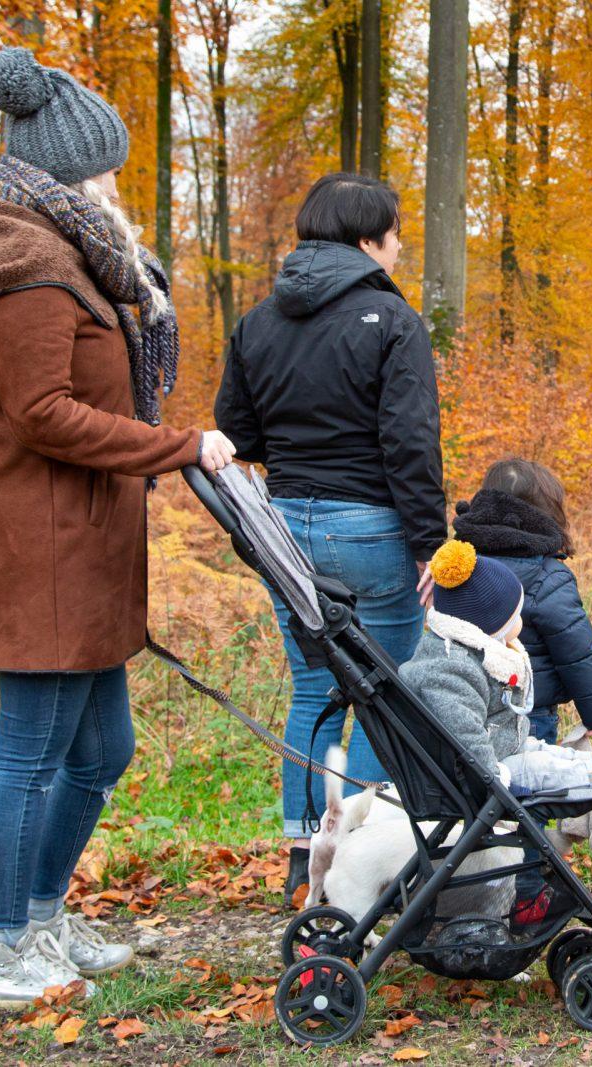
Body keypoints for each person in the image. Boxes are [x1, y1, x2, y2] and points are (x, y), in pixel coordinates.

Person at [0, 47, 236, 1008]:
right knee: (32, 747)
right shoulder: (30, 270)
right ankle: (1, 952)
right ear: (65, 175)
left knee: (101, 751)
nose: (114, 187)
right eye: (103, 170)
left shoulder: (69, 257)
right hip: (41, 545)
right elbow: (41, 413)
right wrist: (176, 445)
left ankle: (44, 915)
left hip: (85, 542)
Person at [214, 173, 447, 900]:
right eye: (395, 231)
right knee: (387, 691)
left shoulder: (257, 322)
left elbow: (238, 430)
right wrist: (428, 543)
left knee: (315, 685)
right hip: (372, 526)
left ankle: (301, 851)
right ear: (366, 238)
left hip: (284, 530)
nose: (401, 244)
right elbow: (409, 442)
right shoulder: (393, 320)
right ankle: (368, 854)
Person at [400, 540, 592, 932]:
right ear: (487, 625)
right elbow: (463, 734)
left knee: (546, 753)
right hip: (479, 776)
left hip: (493, 755)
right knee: (541, 770)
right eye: (515, 616)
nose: (520, 622)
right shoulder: (448, 671)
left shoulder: (457, 652)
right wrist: (493, 776)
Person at [451, 458, 592, 745]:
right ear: (545, 514)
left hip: (465, 705)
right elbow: (576, 648)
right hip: (529, 711)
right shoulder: (549, 576)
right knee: (528, 782)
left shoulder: (461, 564)